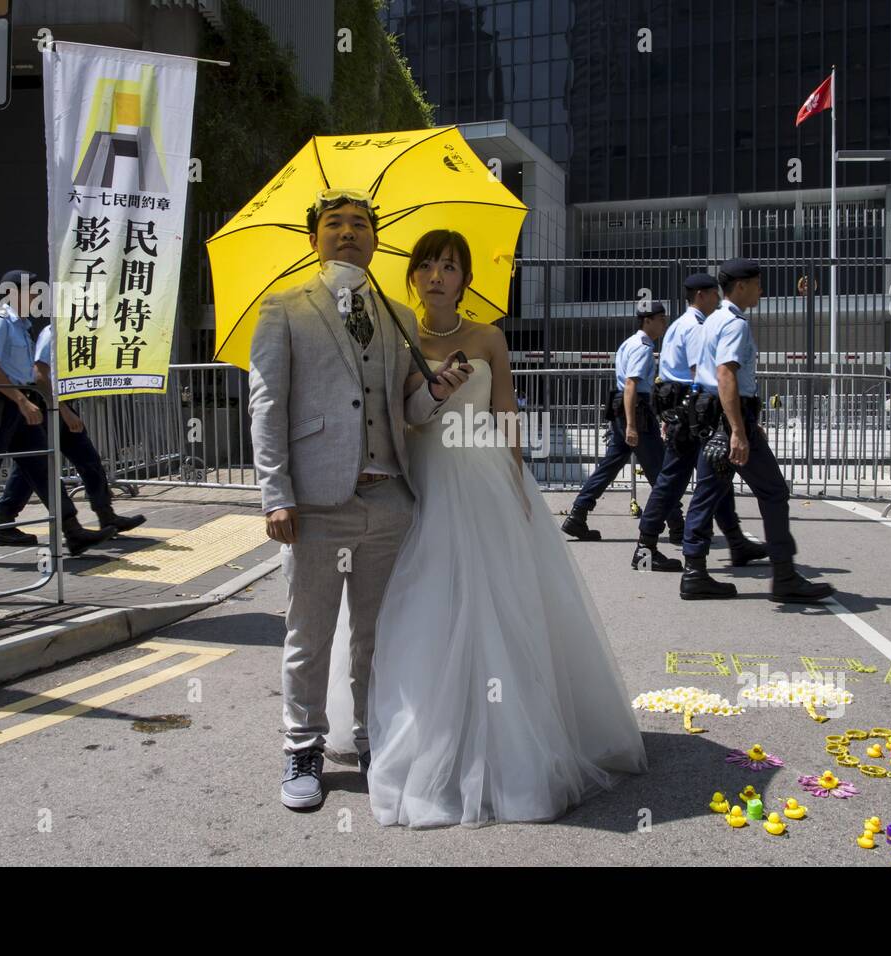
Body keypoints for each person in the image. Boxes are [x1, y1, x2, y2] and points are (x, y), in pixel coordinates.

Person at [328, 228, 646, 828]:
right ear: (413, 277)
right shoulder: (394, 333)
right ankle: (417, 731)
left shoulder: (489, 336)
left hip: (479, 475)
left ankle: (504, 742)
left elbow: (505, 411)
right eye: (427, 265)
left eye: (450, 266)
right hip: (413, 476)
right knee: (414, 605)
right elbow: (386, 413)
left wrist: (516, 479)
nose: (437, 276)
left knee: (494, 606)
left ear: (466, 279)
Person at [248, 188, 471, 811]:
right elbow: (266, 407)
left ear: (376, 239)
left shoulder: (397, 313)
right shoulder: (285, 308)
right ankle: (302, 747)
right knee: (309, 633)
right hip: (315, 503)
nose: (349, 231)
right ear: (314, 237)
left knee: (377, 635)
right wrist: (275, 494)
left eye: (360, 224)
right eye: (335, 223)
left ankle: (375, 741)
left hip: (388, 501)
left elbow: (407, 407)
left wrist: (440, 389)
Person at [678, 259, 835, 603]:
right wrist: (738, 428)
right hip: (729, 419)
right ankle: (784, 576)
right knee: (774, 491)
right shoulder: (734, 324)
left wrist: (742, 420)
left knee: (707, 493)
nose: (762, 290)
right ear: (742, 286)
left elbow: (704, 374)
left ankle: (694, 573)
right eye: (758, 283)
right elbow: (726, 375)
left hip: (714, 415)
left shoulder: (709, 321)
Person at [0, 271, 116, 564]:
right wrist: (21, 400)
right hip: (0, 405)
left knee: (44, 470)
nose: (38, 296)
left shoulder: (23, 327)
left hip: (22, 405)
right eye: (33, 291)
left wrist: (31, 401)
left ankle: (73, 531)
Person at [630, 273, 767, 573]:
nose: (719, 300)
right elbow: (700, 374)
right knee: (680, 480)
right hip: (692, 409)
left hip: (682, 408)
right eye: (715, 295)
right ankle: (648, 547)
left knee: (712, 477)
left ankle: (734, 541)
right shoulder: (695, 328)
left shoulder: (680, 324)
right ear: (702, 296)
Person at [0, 321, 146, 544]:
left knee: (87, 459)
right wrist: (63, 411)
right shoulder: (53, 332)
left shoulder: (75, 332)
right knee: (32, 467)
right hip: (49, 408)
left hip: (59, 407)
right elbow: (40, 375)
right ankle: (5, 521)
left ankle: (105, 515)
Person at [561, 303, 685, 545]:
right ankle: (678, 525)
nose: (664, 324)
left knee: (610, 466)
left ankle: (578, 514)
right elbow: (631, 385)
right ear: (647, 321)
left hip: (627, 410)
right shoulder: (641, 348)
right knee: (660, 468)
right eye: (661, 319)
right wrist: (631, 425)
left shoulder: (629, 343)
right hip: (635, 411)